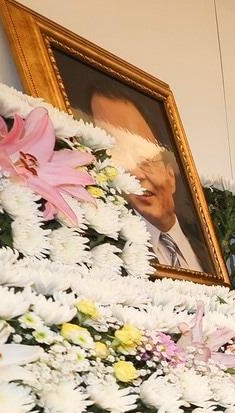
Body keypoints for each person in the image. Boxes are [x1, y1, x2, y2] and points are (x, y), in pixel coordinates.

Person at [84, 85, 210, 275]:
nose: (137, 174)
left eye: (145, 159)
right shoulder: (114, 251)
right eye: (118, 158)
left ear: (171, 176)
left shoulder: (206, 249)